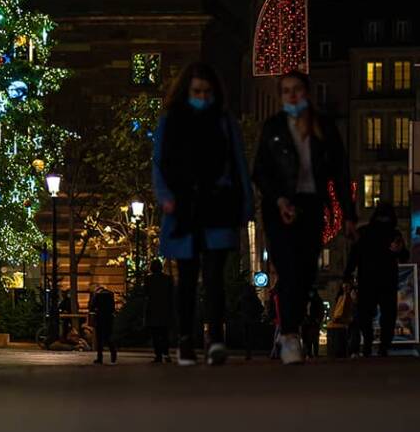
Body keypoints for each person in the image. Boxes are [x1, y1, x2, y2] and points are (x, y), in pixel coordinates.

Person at [253, 69, 356, 365]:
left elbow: (339, 170)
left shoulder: (323, 126)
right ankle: (288, 334)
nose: (292, 95)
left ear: (307, 92)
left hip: (311, 205)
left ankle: (292, 328)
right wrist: (279, 198)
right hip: (279, 207)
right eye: (286, 91)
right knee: (287, 268)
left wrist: (348, 215)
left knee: (307, 269)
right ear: (281, 96)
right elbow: (260, 170)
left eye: (297, 89)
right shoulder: (274, 126)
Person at [153, 62, 253, 366]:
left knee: (213, 277)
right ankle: (185, 340)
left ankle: (215, 340)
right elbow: (159, 162)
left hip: (216, 204)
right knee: (186, 278)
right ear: (187, 91)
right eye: (197, 91)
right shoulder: (171, 121)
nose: (203, 97)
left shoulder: (223, 122)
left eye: (207, 92)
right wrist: (166, 197)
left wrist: (245, 205)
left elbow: (238, 164)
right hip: (184, 206)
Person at [343, 201, 408, 357]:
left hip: (369, 279)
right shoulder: (393, 233)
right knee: (387, 315)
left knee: (366, 313)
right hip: (386, 280)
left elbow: (354, 257)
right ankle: (383, 346)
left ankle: (369, 343)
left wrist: (347, 275)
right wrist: (399, 251)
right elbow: (404, 256)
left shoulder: (365, 233)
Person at [143, 260, 174, 363]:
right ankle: (166, 353)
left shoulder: (148, 279)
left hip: (153, 309)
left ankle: (158, 355)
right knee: (164, 334)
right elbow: (171, 294)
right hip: (165, 309)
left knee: (155, 334)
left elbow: (145, 294)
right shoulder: (168, 279)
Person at [88, 284, 117, 364]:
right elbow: (113, 307)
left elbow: (92, 307)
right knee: (109, 337)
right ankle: (113, 356)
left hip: (100, 318)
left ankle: (100, 358)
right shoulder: (110, 294)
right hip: (109, 318)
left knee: (99, 339)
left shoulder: (97, 295)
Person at [302, 287, 327, 359]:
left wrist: (318, 320)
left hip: (314, 322)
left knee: (314, 339)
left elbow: (321, 311)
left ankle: (315, 353)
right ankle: (309, 353)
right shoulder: (308, 300)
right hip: (308, 322)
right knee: (309, 339)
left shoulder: (317, 300)